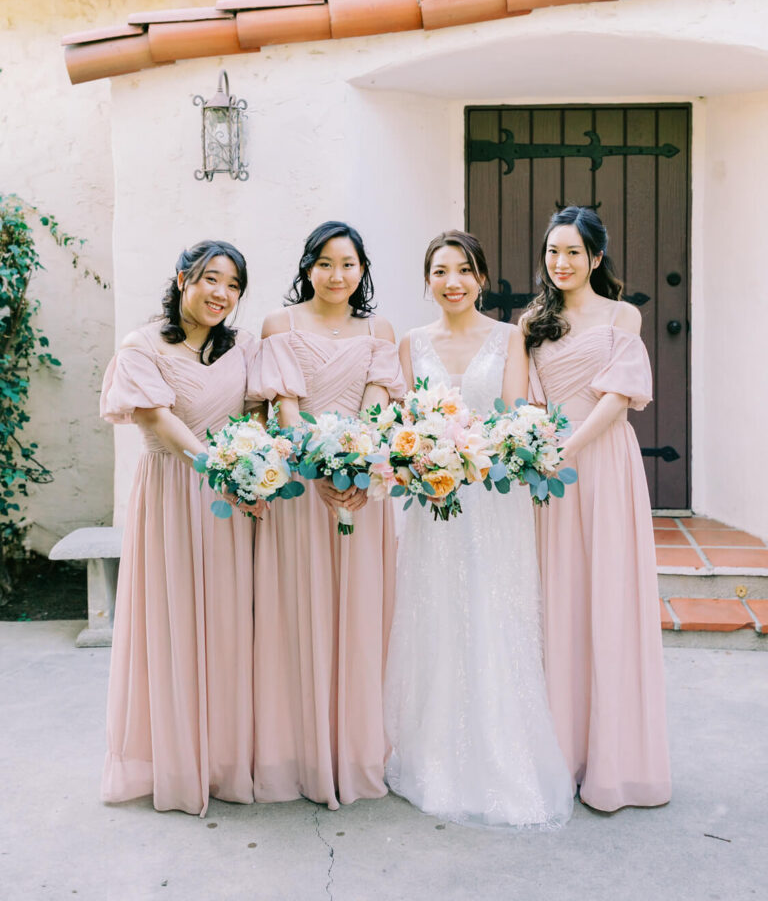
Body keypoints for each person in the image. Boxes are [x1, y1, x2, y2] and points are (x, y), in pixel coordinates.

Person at [384, 230, 573, 829]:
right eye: (440, 271)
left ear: (483, 278)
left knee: (496, 615)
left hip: (494, 501)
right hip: (434, 501)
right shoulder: (411, 344)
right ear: (427, 281)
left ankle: (503, 756)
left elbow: (517, 414)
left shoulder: (509, 337)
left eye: (464, 270)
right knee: (437, 616)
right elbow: (405, 420)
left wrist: (478, 452)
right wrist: (428, 458)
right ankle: (436, 756)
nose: (452, 282)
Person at [100, 240, 262, 816]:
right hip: (173, 491)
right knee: (172, 623)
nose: (222, 294)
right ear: (181, 279)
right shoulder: (141, 345)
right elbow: (156, 417)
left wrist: (257, 470)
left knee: (228, 622)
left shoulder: (243, 347)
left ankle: (223, 760)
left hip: (232, 503)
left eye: (234, 285)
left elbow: (261, 414)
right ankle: (176, 761)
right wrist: (219, 468)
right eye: (210, 279)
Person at [523, 206, 671, 812]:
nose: (561, 263)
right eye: (553, 252)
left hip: (603, 462)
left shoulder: (621, 315)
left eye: (574, 254)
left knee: (607, 598)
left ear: (596, 259)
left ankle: (615, 761)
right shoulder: (532, 321)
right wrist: (536, 446)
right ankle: (561, 754)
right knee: (557, 601)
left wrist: (568, 446)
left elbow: (619, 395)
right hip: (550, 473)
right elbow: (527, 396)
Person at [252, 221, 405, 809]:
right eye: (324, 263)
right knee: (297, 614)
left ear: (362, 269)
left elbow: (377, 403)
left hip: (359, 493)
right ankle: (301, 755)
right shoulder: (279, 326)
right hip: (298, 488)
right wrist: (320, 472)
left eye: (348, 264)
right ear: (307, 267)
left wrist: (355, 469)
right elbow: (284, 408)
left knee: (360, 617)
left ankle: (358, 751)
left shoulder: (379, 331)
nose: (336, 275)